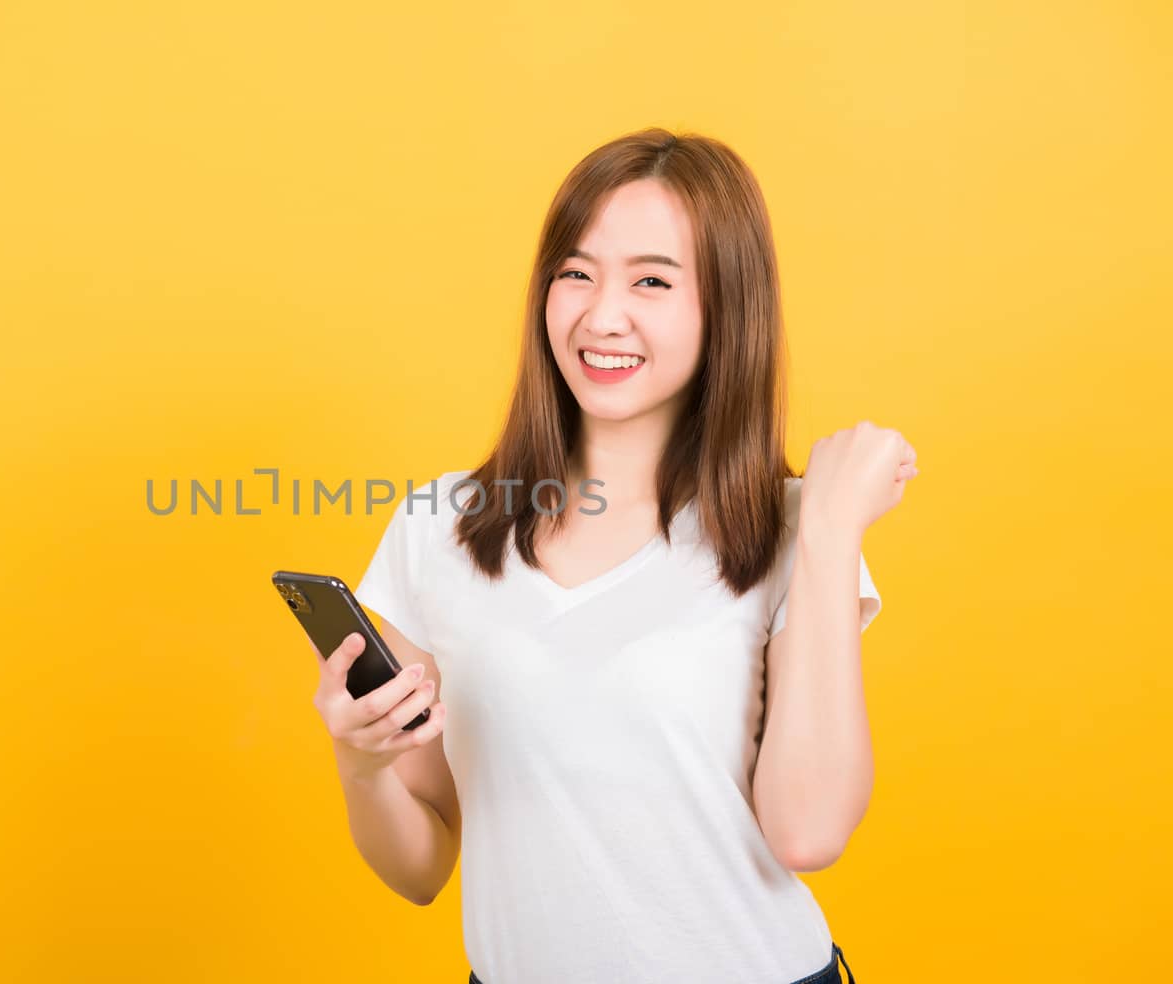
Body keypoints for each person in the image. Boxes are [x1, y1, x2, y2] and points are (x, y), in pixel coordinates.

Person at [307, 127, 917, 983]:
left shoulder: (791, 532)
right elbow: (421, 866)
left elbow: (809, 832)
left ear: (727, 306)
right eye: (575, 274)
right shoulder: (439, 527)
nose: (601, 316)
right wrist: (361, 766)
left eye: (653, 282)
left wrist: (827, 531)